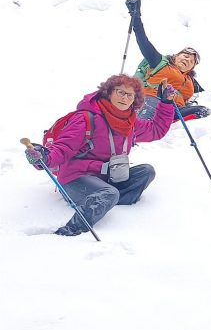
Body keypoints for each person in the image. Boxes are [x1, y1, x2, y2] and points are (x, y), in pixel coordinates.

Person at [24, 74, 176, 236]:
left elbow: (155, 130)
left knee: (146, 171)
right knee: (109, 193)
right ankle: (71, 230)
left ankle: (110, 200)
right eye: (120, 92)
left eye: (129, 95)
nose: (125, 98)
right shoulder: (86, 118)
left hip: (107, 178)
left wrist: (166, 103)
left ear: (134, 100)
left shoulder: (129, 122)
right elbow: (62, 148)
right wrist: (43, 157)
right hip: (77, 179)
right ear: (108, 93)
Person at [126, 0, 210, 121]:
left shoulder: (190, 80)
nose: (187, 60)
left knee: (203, 110)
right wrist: (136, 17)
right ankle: (136, 132)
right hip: (153, 99)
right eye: (185, 56)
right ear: (176, 56)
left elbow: (209, 94)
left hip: (176, 110)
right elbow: (144, 42)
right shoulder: (161, 63)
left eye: (192, 62)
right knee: (146, 118)